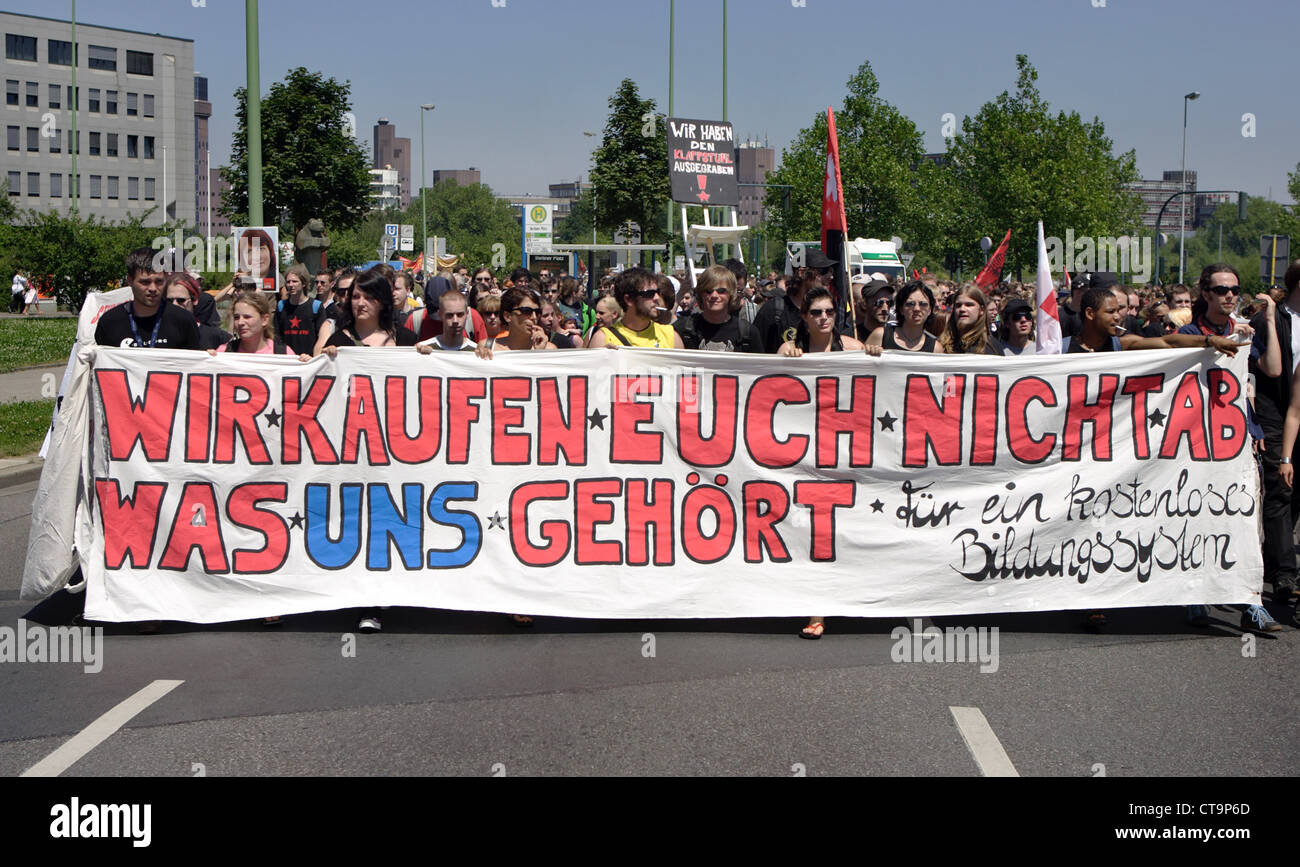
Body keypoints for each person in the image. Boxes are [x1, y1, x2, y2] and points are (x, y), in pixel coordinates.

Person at [779, 288, 880, 638]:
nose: (824, 317)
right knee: (813, 536)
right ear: (804, 317)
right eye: (816, 312)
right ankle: (815, 610)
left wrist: (874, 355)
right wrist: (786, 358)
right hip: (805, 459)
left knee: (848, 533)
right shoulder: (791, 351)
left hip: (848, 456)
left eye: (829, 311)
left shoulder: (852, 348)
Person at [95, 248, 201, 350]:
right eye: (145, 282)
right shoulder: (110, 322)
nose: (153, 288)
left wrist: (209, 357)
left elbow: (195, 363)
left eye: (159, 281)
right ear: (130, 281)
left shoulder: (183, 320)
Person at [673, 264, 765, 353]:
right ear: (700, 293)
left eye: (721, 291)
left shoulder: (749, 333)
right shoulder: (682, 330)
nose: (714, 295)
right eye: (708, 291)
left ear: (731, 294)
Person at [587, 268, 684, 349]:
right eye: (649, 294)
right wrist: (603, 359)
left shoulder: (671, 337)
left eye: (657, 292)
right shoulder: (603, 339)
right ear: (628, 299)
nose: (656, 298)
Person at [212, 291, 303, 357]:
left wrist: (307, 365)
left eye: (247, 317)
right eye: (236, 317)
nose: (240, 322)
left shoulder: (284, 354)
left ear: (264, 320)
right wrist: (207, 360)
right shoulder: (223, 352)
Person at [475, 287, 556, 356]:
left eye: (537, 312)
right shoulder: (487, 346)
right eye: (526, 311)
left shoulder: (549, 349)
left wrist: (539, 354)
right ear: (507, 316)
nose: (534, 317)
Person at [866, 281, 943, 354]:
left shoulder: (935, 348)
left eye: (923, 304)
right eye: (910, 304)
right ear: (901, 309)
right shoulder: (880, 335)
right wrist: (871, 353)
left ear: (930, 310)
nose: (917, 309)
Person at [275, 264, 329, 356]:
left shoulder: (315, 306)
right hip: (287, 359)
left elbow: (322, 336)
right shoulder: (281, 306)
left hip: (309, 359)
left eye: (295, 281)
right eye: (288, 282)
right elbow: (276, 335)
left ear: (304, 283)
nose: (291, 285)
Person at [165, 273, 230, 350]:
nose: (174, 305)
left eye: (181, 300)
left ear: (194, 300)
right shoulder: (155, 333)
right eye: (169, 301)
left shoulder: (219, 338)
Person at [940, 287, 1004, 355]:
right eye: (958, 305)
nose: (962, 309)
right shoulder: (940, 346)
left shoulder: (993, 348)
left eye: (969, 305)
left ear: (981, 310)